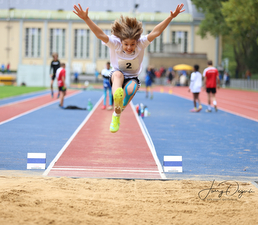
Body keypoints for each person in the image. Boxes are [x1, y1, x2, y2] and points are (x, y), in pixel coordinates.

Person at [73, 3, 185, 133]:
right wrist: (86, 19)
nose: (129, 47)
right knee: (118, 75)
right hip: (117, 75)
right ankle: (117, 96)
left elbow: (156, 32)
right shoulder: (115, 43)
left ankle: (117, 114)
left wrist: (170, 17)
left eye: (132, 44)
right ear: (121, 41)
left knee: (131, 88)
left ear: (136, 41)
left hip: (132, 78)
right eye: (126, 44)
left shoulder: (141, 43)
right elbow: (100, 35)